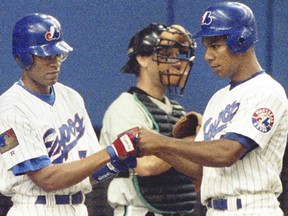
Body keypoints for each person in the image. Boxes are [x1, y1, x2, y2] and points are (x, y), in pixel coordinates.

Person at [138, 2, 288, 216]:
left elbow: (228, 152)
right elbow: (200, 168)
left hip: (252, 207)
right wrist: (156, 148)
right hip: (215, 209)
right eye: (207, 47)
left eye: (215, 45)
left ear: (240, 41)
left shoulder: (266, 91)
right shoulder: (218, 98)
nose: (207, 56)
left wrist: (162, 141)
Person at [0, 13, 138, 216]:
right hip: (35, 208)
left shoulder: (71, 97)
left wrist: (115, 163)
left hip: (77, 208)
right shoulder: (9, 108)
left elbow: (87, 171)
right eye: (46, 56)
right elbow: (46, 179)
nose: (54, 62)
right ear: (23, 58)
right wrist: (110, 151)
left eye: (58, 55)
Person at [100, 23, 203, 216]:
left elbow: (194, 177)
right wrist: (187, 144)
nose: (177, 63)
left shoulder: (179, 111)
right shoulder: (126, 107)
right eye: (167, 55)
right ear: (142, 58)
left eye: (177, 55)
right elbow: (145, 167)